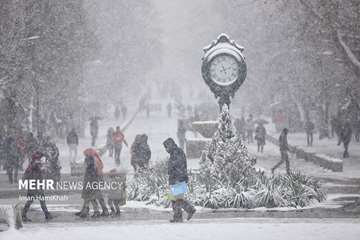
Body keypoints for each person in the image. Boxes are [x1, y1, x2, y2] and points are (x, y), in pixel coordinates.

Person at [163, 138, 195, 223]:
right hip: (176, 179)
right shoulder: (175, 152)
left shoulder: (177, 153)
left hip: (178, 179)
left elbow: (179, 167)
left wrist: (178, 179)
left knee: (176, 199)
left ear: (170, 145)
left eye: (166, 147)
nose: (166, 150)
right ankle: (181, 214)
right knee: (174, 198)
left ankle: (185, 213)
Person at [77, 148, 109, 218]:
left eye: (86, 155)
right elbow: (98, 171)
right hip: (96, 180)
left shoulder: (91, 160)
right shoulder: (96, 159)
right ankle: (103, 210)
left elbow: (92, 170)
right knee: (96, 196)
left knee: (91, 196)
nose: (85, 156)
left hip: (92, 180)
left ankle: (94, 211)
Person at [22, 151, 53, 222]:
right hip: (35, 185)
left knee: (38, 200)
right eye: (41, 158)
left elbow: (27, 174)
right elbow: (41, 172)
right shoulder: (36, 164)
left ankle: (46, 214)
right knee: (34, 200)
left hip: (35, 185)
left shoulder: (33, 164)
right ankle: (23, 215)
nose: (42, 159)